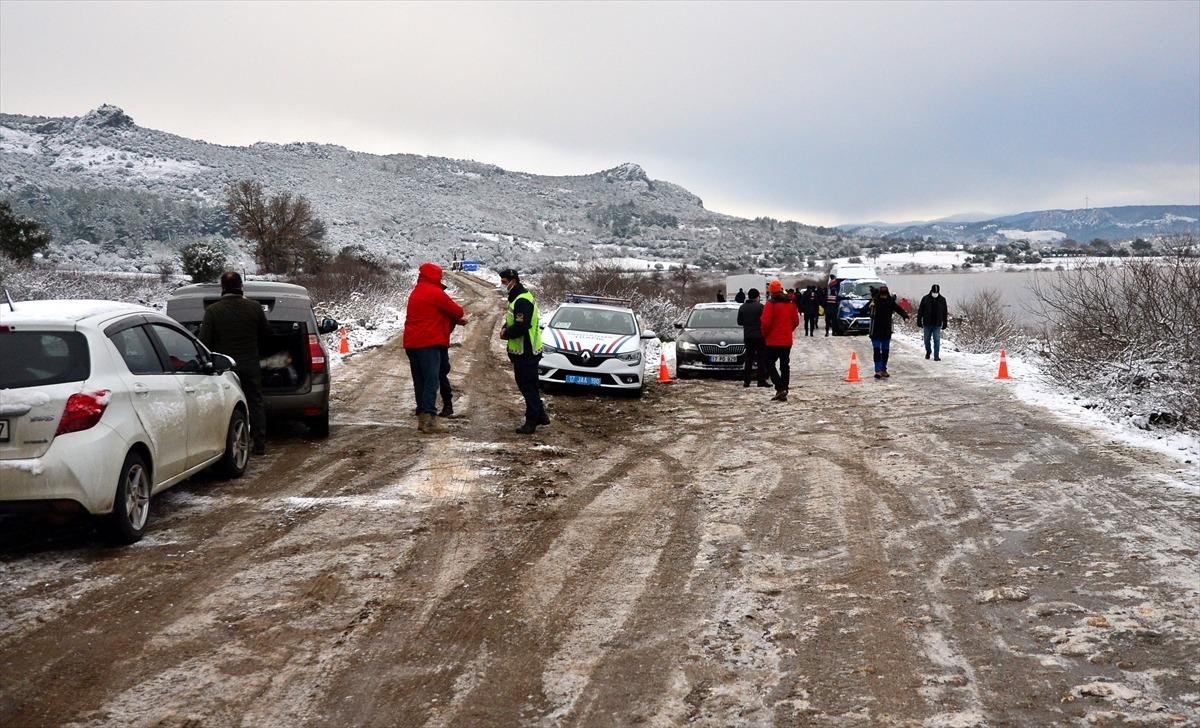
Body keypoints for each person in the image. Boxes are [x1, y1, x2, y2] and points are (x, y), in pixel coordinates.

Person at [199, 271, 271, 455]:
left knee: (227, 406)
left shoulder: (213, 311)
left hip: (225, 369)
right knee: (255, 402)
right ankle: (260, 443)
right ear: (241, 287)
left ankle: (229, 445)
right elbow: (267, 335)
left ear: (222, 288)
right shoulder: (254, 308)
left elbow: (204, 342)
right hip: (250, 364)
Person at [403, 263, 468, 433]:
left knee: (420, 380)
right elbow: (458, 310)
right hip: (428, 343)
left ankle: (422, 415)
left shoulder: (416, 291)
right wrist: (457, 318)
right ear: (435, 276)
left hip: (411, 343)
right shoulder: (434, 292)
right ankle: (429, 417)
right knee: (432, 380)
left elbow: (431, 314)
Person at [498, 268, 549, 434]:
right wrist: (506, 326)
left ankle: (531, 421)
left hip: (526, 352)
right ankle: (540, 415)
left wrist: (506, 333)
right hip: (525, 352)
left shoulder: (522, 300)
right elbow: (513, 320)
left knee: (527, 386)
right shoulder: (517, 297)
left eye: (504, 282)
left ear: (514, 281)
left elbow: (521, 326)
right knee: (531, 385)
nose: (502, 285)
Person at [856, 285, 910, 379]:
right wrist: (869, 306)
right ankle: (878, 370)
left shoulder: (890, 302)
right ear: (879, 294)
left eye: (885, 295)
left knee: (885, 352)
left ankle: (884, 369)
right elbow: (862, 311)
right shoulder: (874, 301)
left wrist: (905, 316)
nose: (884, 296)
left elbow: (899, 309)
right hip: (875, 331)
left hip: (886, 331)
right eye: (882, 295)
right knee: (877, 350)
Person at [759, 280, 800, 402]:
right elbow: (796, 322)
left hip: (772, 341)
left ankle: (779, 387)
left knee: (769, 363)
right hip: (786, 341)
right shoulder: (791, 303)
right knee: (784, 365)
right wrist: (788, 331)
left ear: (771, 291)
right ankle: (784, 388)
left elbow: (765, 323)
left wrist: (764, 335)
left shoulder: (770, 304)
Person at [736, 287, 768, 388]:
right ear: (757, 296)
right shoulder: (761, 307)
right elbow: (765, 321)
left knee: (748, 359)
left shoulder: (742, 307)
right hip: (760, 337)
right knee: (760, 359)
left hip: (748, 336)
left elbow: (739, 322)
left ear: (748, 296)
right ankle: (761, 381)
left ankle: (747, 381)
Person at [917, 284, 949, 361]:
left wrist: (945, 322)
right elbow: (920, 311)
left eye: (937, 292)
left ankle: (936, 356)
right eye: (934, 292)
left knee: (937, 340)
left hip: (937, 324)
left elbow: (945, 312)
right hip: (927, 323)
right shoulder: (925, 299)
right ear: (931, 291)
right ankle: (928, 351)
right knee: (926, 340)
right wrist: (919, 320)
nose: (935, 293)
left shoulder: (942, 300)